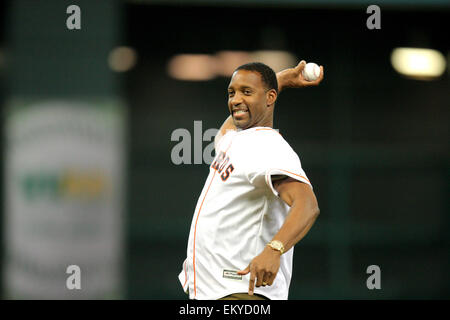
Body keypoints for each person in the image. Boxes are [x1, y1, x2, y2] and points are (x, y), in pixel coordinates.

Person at [178, 60, 324, 300]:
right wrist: (283, 79)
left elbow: (307, 205)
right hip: (216, 291)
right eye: (232, 92)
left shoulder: (269, 147)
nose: (236, 99)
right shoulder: (237, 139)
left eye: (247, 92)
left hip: (241, 291)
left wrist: (274, 249)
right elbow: (225, 131)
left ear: (270, 98)